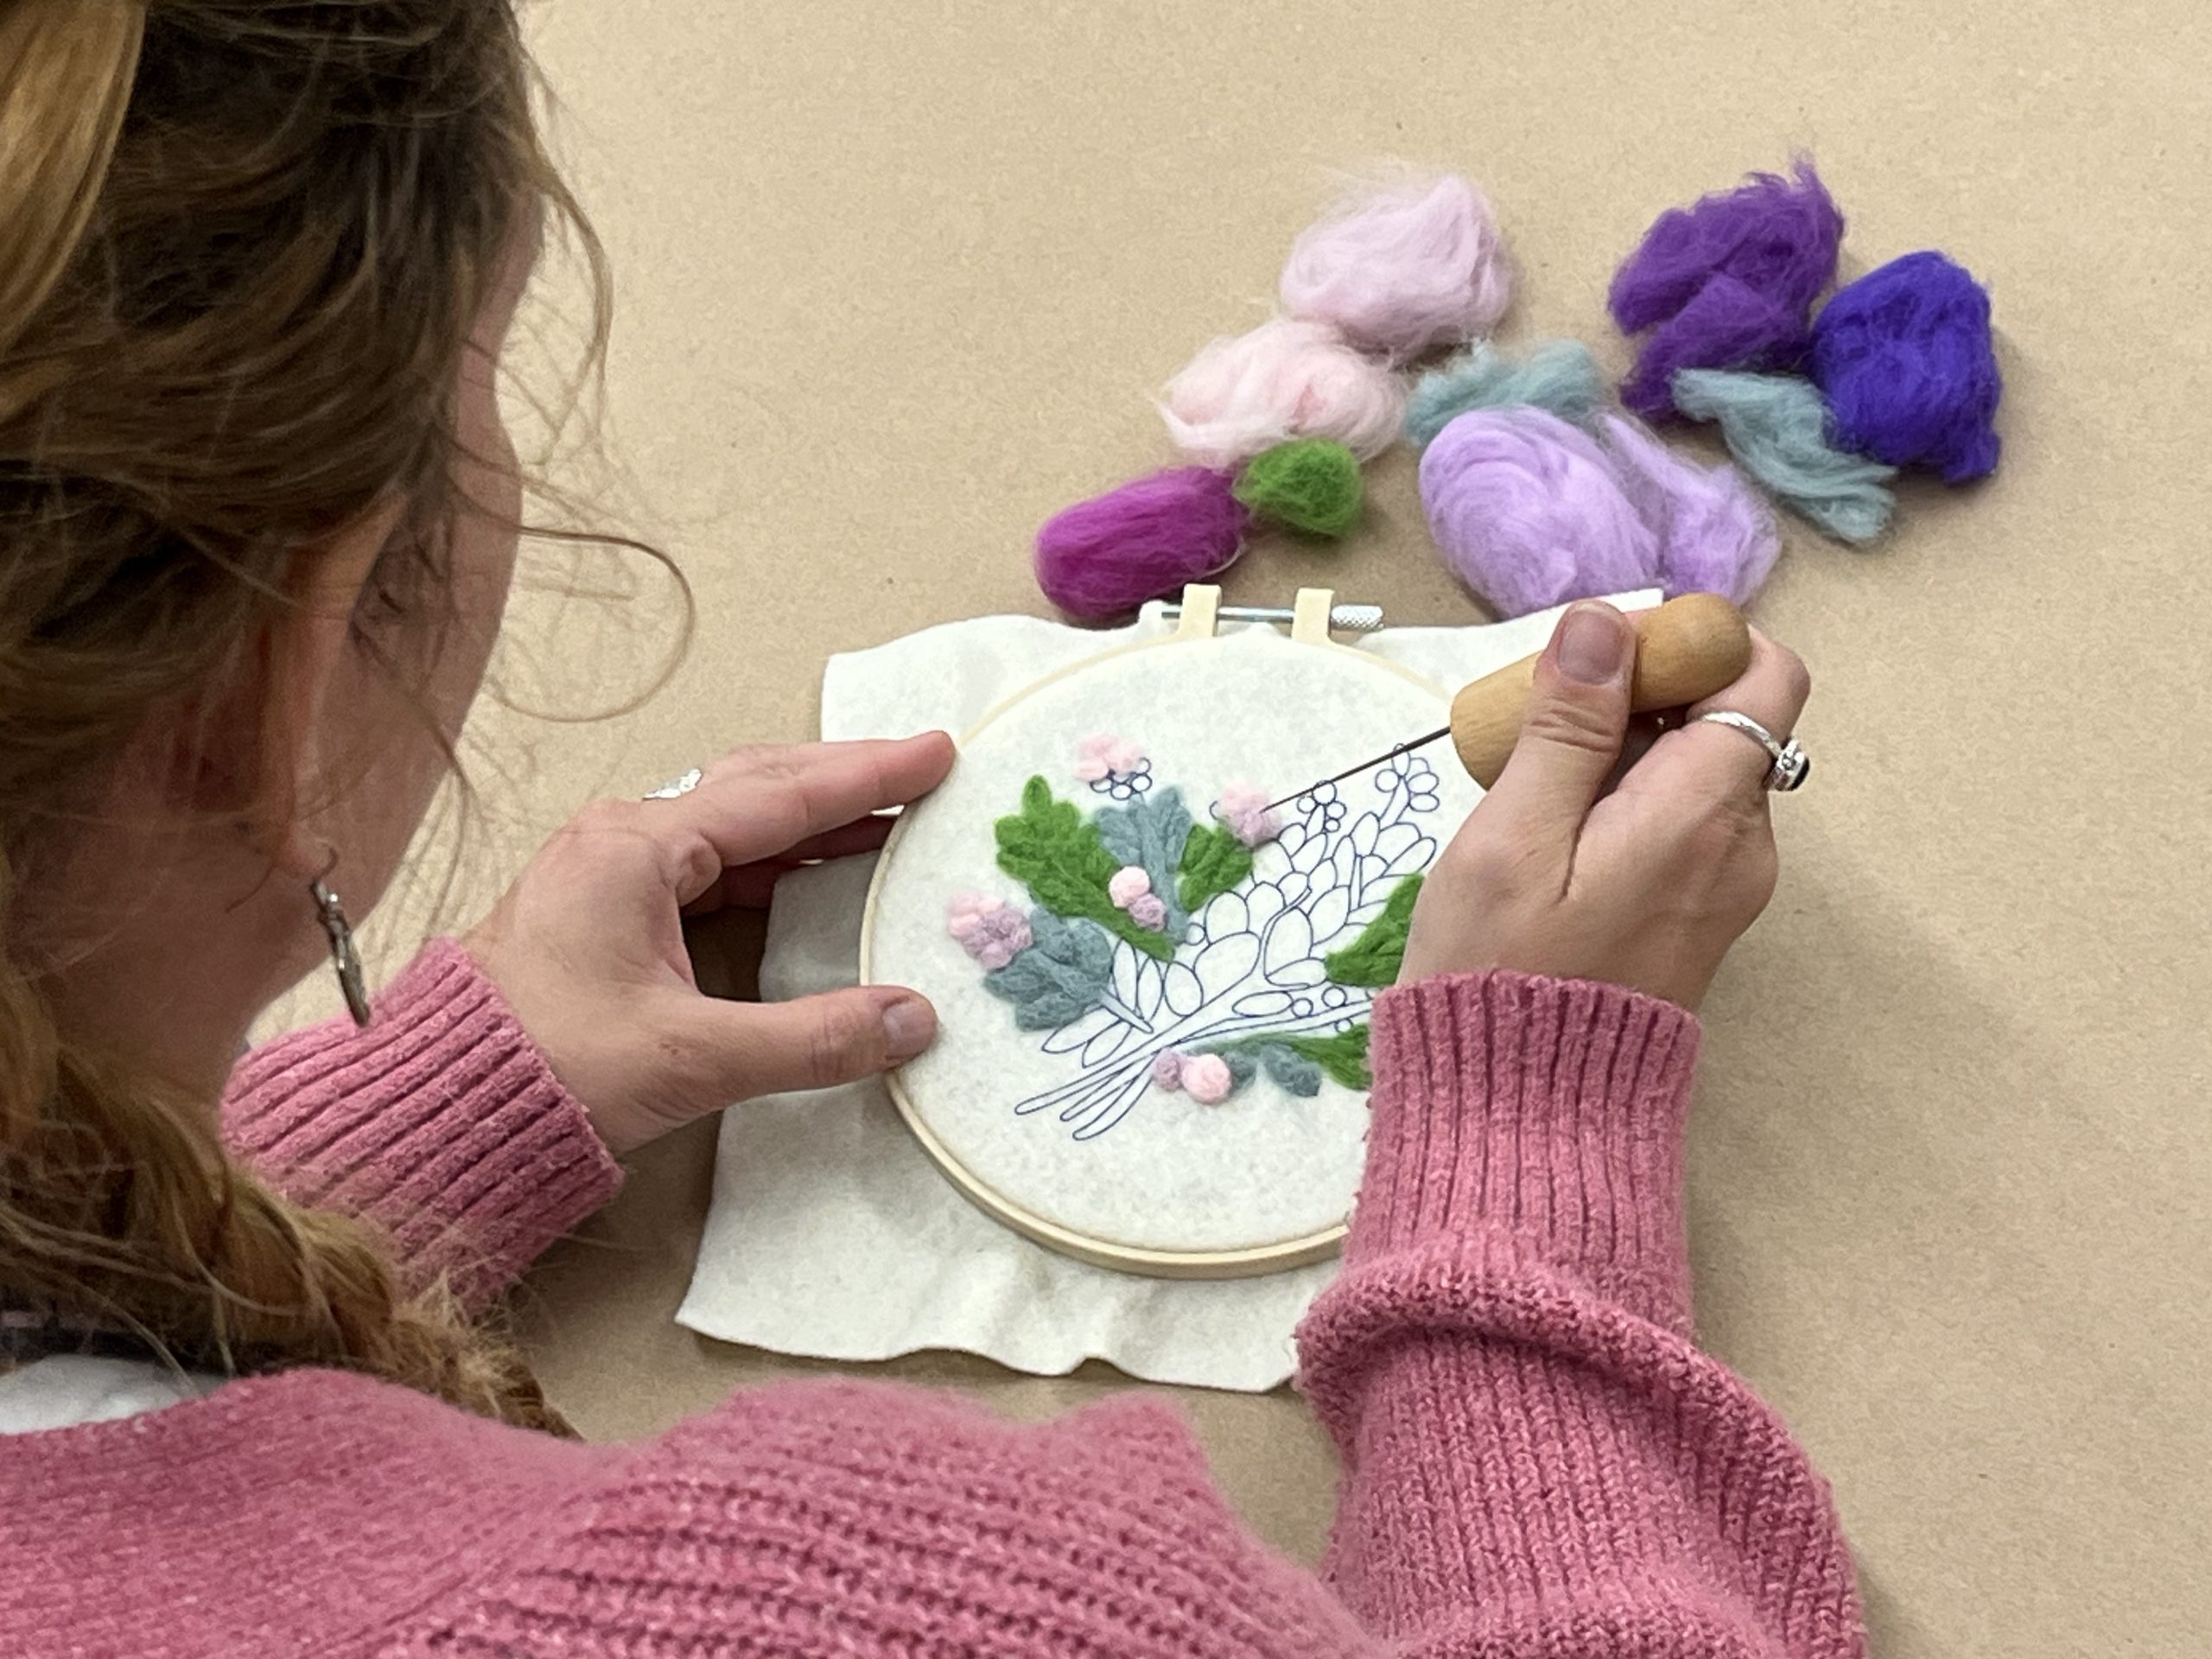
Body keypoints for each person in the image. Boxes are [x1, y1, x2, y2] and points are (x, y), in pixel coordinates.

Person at [0, 4, 1860, 1655]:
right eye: (486, 394)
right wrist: (1528, 1128)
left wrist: (392, 1136)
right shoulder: (874, 1606)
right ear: (299, 652)